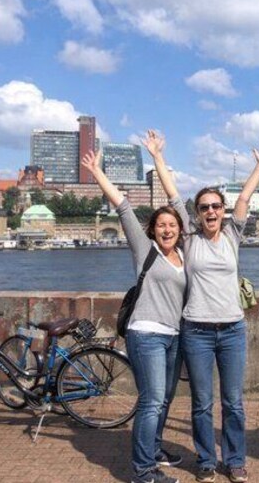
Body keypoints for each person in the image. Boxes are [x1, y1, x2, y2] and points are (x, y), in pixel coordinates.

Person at [146, 130, 259, 483]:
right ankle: (205, 460)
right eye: (204, 207)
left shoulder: (233, 235)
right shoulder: (189, 238)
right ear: (198, 213)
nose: (211, 211)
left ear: (223, 210)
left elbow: (245, 197)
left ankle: (235, 460)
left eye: (216, 206)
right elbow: (173, 195)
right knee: (202, 402)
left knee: (233, 402)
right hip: (197, 331)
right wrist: (158, 157)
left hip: (232, 329)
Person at [81, 150, 185, 483]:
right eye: (161, 225)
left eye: (172, 225)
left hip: (175, 335)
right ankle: (143, 470)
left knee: (164, 398)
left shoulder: (185, 253)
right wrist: (97, 172)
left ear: (180, 229)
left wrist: (159, 157)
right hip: (146, 333)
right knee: (152, 400)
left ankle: (153, 449)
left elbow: (177, 199)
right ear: (152, 230)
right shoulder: (145, 250)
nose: (167, 229)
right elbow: (123, 207)